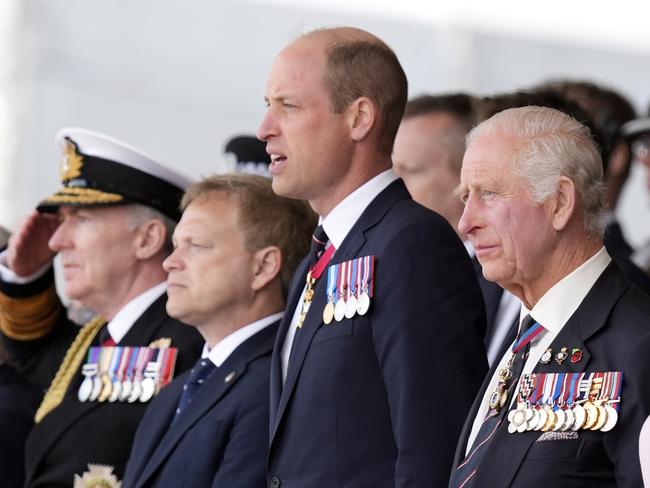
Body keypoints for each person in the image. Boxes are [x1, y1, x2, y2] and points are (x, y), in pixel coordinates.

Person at [258, 27, 487, 487]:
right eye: (268, 106)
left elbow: (434, 450)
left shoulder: (413, 245)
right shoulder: (321, 255)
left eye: (289, 106)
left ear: (359, 118)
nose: (265, 129)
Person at [449, 106, 650, 488]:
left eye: (488, 193)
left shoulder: (639, 345)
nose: (466, 222)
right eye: (465, 198)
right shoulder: (528, 337)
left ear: (559, 202)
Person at [0, 128, 203, 487]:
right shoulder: (100, 337)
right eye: (62, 221)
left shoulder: (191, 339)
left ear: (147, 238)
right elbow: (32, 357)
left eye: (81, 219)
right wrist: (28, 277)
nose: (57, 240)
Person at [122, 174, 314, 488]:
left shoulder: (277, 385)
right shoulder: (176, 391)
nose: (170, 262)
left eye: (195, 246)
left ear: (263, 267)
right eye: (175, 246)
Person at [394, 93, 517, 366]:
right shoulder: (408, 266)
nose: (394, 185)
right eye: (390, 171)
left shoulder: (504, 269)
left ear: (469, 174)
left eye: (411, 170)